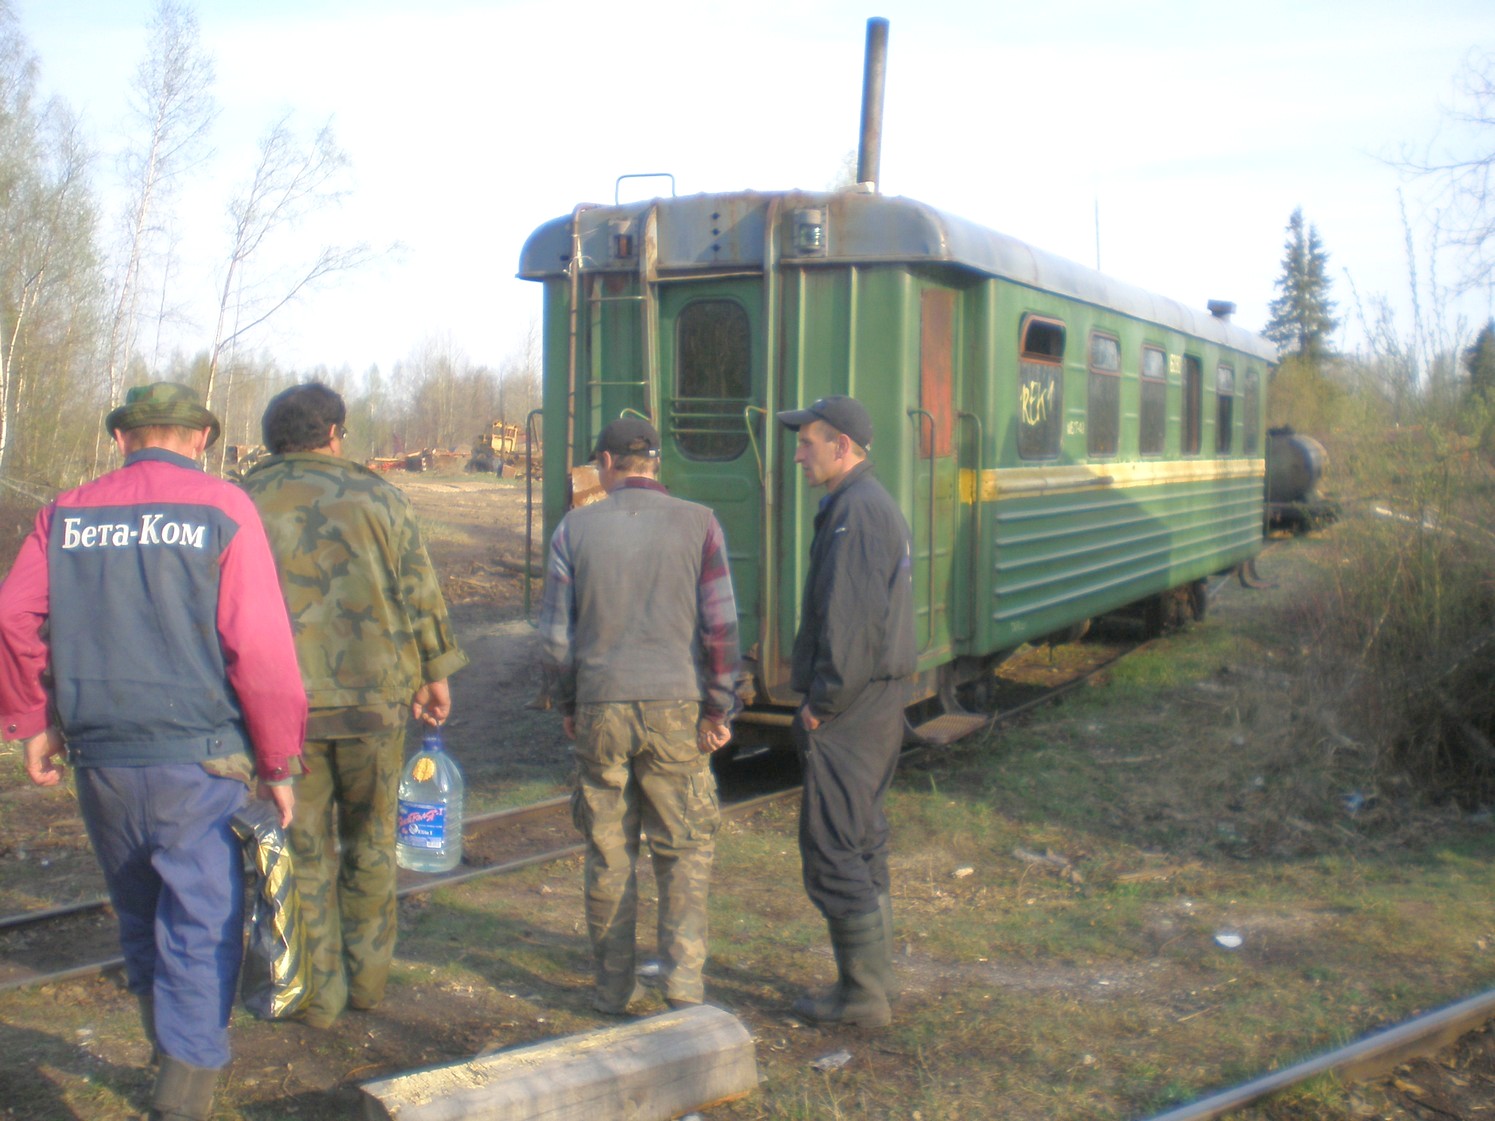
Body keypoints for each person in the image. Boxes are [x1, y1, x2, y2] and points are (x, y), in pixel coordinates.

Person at [0, 382, 307, 1121]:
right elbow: (259, 649)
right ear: (201, 438)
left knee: (139, 914)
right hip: (200, 762)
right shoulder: (225, 508)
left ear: (121, 439)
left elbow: (12, 616)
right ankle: (181, 1103)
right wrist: (277, 761)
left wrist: (34, 720)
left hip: (102, 759)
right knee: (202, 929)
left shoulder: (65, 512)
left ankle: (166, 1061)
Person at [241, 383, 469, 1030]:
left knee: (300, 848)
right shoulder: (379, 496)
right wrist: (434, 673)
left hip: (280, 712)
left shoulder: (242, 502)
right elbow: (417, 591)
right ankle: (366, 982)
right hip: (375, 700)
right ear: (335, 433)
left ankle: (319, 994)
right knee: (371, 842)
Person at [538, 417, 740, 1014]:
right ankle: (682, 987)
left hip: (601, 702)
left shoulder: (573, 528)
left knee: (608, 851)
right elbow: (721, 626)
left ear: (605, 463)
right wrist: (719, 704)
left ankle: (612, 989)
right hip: (677, 704)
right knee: (683, 849)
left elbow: (554, 640)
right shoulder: (700, 522)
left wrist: (569, 702)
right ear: (656, 464)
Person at [775, 394, 915, 1029]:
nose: (799, 453)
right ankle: (875, 979)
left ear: (843, 448)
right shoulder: (860, 505)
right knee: (861, 835)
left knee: (833, 842)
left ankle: (861, 996)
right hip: (876, 698)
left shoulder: (855, 514)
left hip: (853, 704)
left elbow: (852, 625)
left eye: (809, 442)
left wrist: (821, 706)